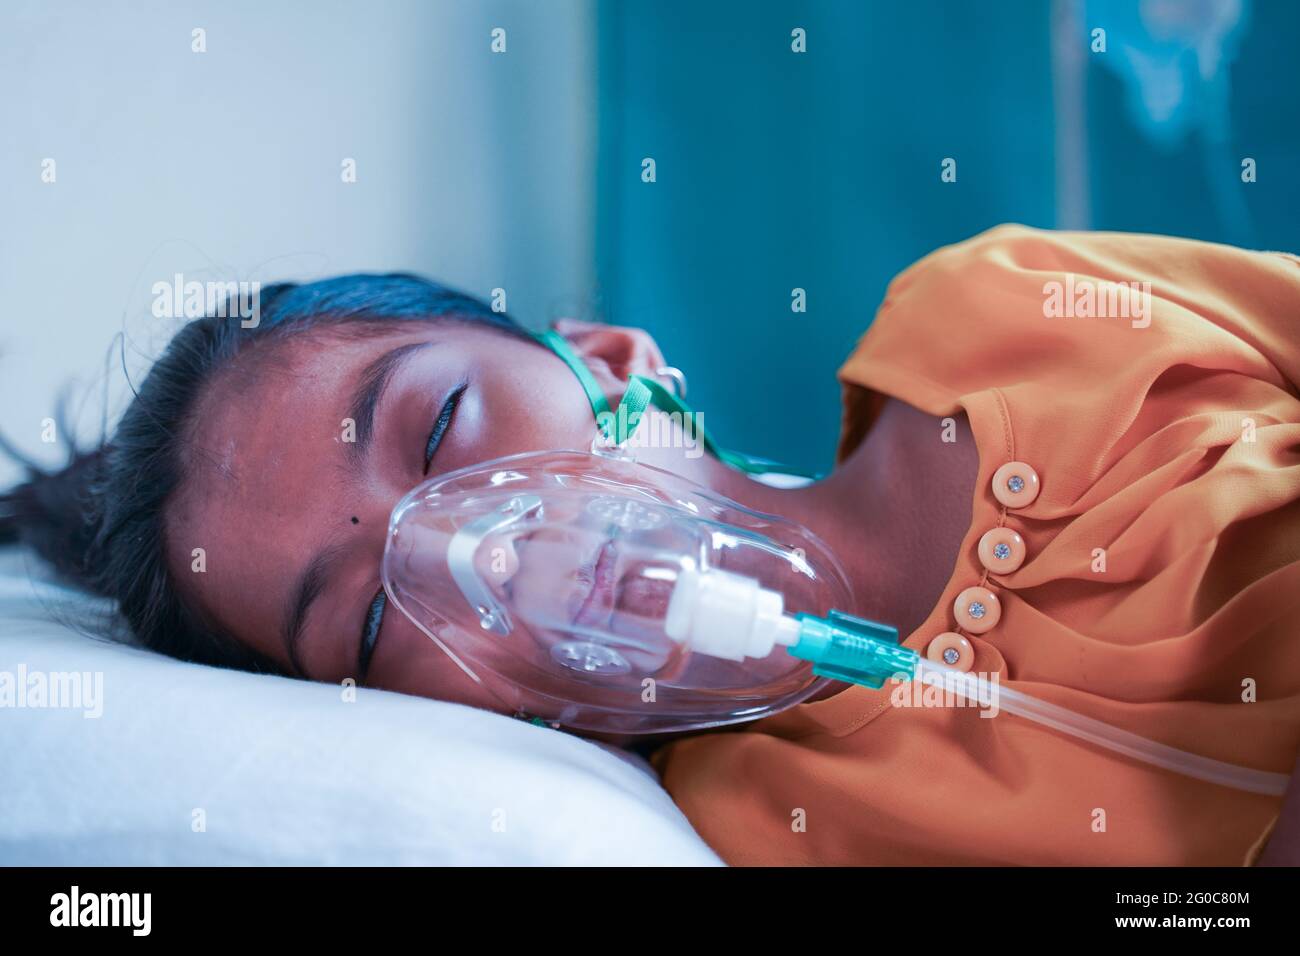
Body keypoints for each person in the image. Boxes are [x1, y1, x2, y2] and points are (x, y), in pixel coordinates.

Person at [3, 224, 1298, 865]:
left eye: (445, 426)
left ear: (610, 359)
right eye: (374, 621)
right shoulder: (771, 829)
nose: (482, 554)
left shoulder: (1002, 307)